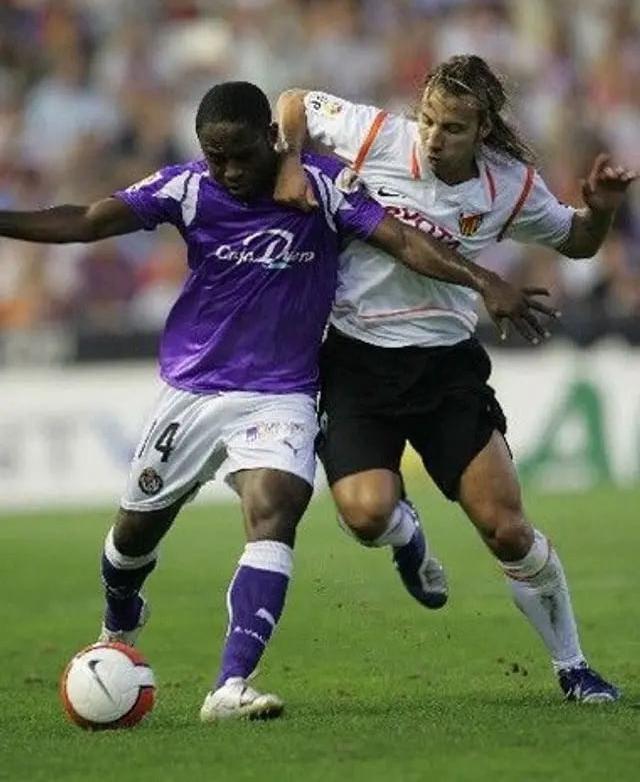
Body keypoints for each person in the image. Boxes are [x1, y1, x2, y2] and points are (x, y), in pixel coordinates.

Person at [0, 80, 555, 721]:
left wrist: (486, 280)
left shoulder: (319, 187)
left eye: (242, 154)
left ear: (272, 137)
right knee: (130, 540)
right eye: (216, 157)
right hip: (194, 390)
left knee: (276, 509)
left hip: (283, 393)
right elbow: (88, 220)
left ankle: (230, 685)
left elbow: (403, 239)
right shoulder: (186, 189)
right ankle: (120, 611)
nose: (230, 171)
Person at [274, 55, 638, 703]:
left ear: (483, 130)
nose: (434, 137)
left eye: (453, 128)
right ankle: (406, 534)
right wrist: (288, 164)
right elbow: (294, 101)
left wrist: (603, 210)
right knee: (365, 515)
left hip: (445, 366)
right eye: (430, 119)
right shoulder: (377, 135)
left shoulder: (510, 186)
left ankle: (574, 666)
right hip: (358, 358)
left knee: (506, 526)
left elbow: (578, 241)